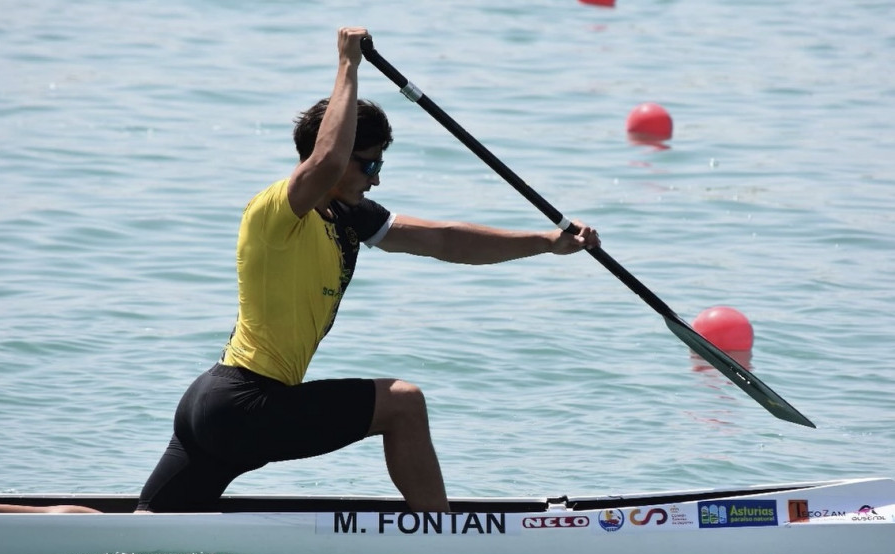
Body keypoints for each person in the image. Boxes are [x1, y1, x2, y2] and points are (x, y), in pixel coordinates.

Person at [137, 27, 600, 514]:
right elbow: (327, 157)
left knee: (140, 531)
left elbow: (445, 239)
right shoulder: (277, 211)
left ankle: (45, 521)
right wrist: (347, 64)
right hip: (245, 403)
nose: (376, 176)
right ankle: (443, 539)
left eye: (380, 164)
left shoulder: (349, 217)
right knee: (403, 403)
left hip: (216, 406)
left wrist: (547, 243)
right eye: (367, 164)